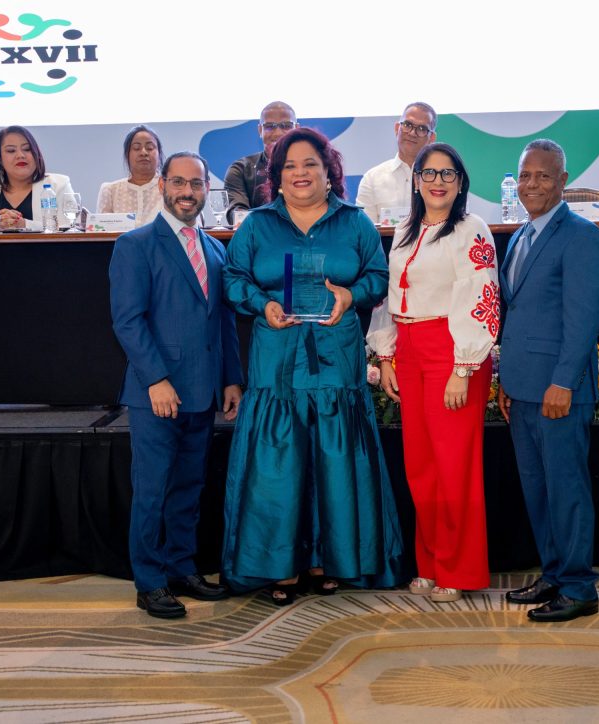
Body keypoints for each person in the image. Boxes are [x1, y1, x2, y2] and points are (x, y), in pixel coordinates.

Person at [222, 127, 403, 606]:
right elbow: (233, 278)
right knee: (278, 467)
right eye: (289, 166)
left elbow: (378, 276)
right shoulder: (257, 225)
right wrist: (262, 305)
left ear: (329, 172)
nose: (299, 173)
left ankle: (330, 561)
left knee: (335, 463)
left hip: (335, 361)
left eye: (310, 164)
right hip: (277, 363)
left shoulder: (355, 222)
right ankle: (279, 567)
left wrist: (351, 295)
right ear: (276, 177)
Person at [109, 151, 243, 619]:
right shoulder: (135, 245)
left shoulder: (216, 250)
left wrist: (231, 378)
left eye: (196, 184)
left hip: (204, 391)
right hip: (156, 395)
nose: (188, 192)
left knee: (188, 487)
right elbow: (128, 322)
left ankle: (182, 569)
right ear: (163, 185)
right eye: (180, 183)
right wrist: (157, 379)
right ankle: (149, 583)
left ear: (206, 189)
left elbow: (223, 321)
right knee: (152, 491)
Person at [367, 142, 498, 603]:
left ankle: (459, 569)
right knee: (421, 466)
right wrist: (386, 356)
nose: (437, 182)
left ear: (461, 183)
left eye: (448, 174)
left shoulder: (471, 228)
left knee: (454, 465)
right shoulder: (405, 229)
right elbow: (388, 296)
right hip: (409, 349)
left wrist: (464, 367)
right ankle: (430, 563)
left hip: (452, 351)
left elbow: (481, 297)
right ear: (416, 180)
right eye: (429, 173)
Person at [497, 139, 599, 622]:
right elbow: (518, 315)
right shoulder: (521, 235)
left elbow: (583, 319)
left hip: (559, 390)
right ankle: (554, 574)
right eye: (525, 175)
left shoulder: (582, 236)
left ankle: (580, 588)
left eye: (543, 176)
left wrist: (564, 382)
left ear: (563, 180)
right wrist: (507, 379)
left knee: (566, 490)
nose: (532, 184)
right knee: (538, 489)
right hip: (523, 387)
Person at [0, 125, 74, 230]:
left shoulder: (59, 185)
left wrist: (25, 225)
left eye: (27, 149)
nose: (20, 155)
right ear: (0, 159)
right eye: (11, 151)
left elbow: (70, 228)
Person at [355, 102, 438, 224]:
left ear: (431, 138)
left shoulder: (442, 179)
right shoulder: (372, 179)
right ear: (397, 128)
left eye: (421, 129)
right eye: (407, 125)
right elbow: (364, 230)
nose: (412, 133)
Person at [223, 101, 298, 223]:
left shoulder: (312, 168)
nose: (278, 133)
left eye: (286, 125)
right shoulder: (240, 169)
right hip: (257, 234)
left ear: (297, 129)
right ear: (260, 130)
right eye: (270, 126)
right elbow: (237, 214)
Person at [96, 124, 165, 224]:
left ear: (159, 154)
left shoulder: (170, 189)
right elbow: (101, 229)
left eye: (150, 148)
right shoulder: (110, 191)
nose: (143, 153)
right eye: (136, 148)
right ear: (127, 155)